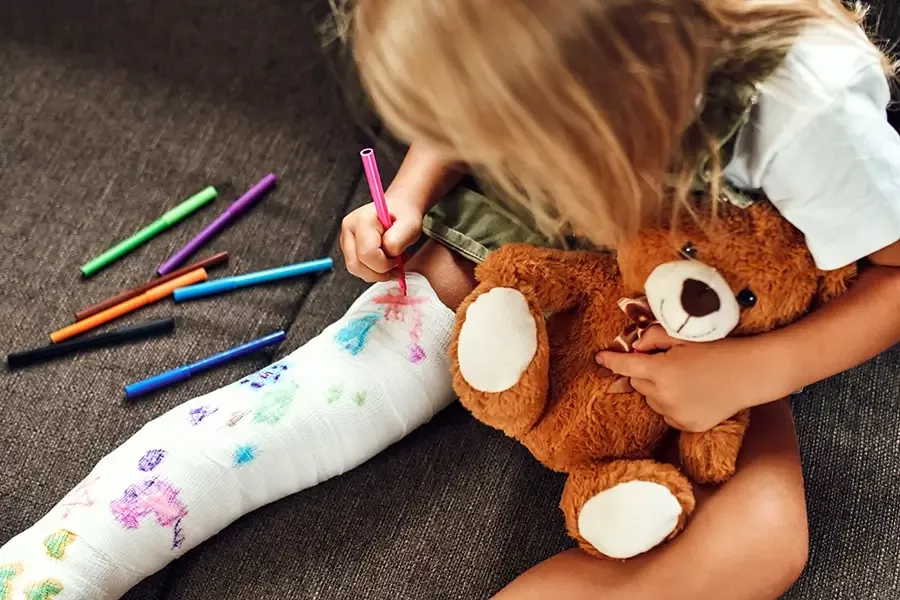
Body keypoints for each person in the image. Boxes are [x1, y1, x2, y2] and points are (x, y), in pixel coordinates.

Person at [1, 1, 897, 599]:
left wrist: (745, 372)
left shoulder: (806, 106)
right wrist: (414, 188)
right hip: (550, 230)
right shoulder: (539, 56)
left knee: (764, 541)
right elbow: (478, 91)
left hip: (732, 287)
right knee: (302, 409)